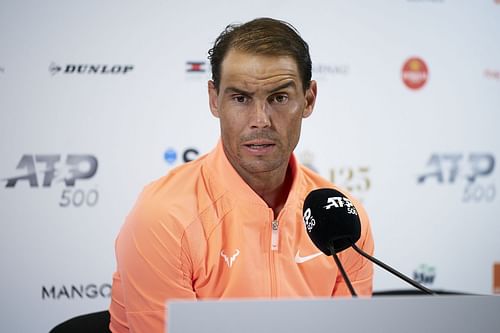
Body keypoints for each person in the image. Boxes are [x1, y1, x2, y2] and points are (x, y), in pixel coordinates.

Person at [109, 17, 374, 333]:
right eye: (240, 98)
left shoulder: (343, 221)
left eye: (279, 97)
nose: (260, 120)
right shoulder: (163, 218)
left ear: (309, 99)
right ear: (214, 99)